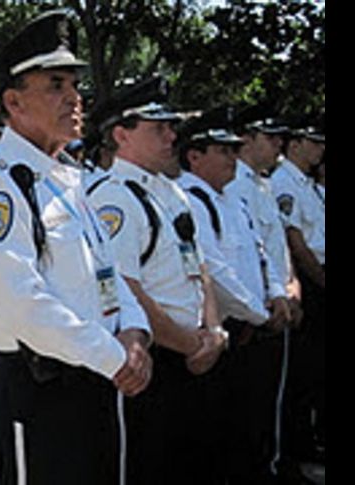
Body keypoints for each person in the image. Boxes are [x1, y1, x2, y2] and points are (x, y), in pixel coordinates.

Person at [0, 11, 153, 484]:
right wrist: (114, 356)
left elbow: (109, 271)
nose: (74, 97)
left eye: (74, 84)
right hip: (41, 388)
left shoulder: (67, 178)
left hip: (101, 376)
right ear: (14, 102)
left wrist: (136, 335)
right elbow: (20, 301)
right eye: (56, 84)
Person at [86, 78, 228, 485]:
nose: (172, 136)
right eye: (158, 128)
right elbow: (126, 287)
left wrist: (213, 331)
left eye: (171, 127)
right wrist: (189, 344)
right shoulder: (114, 199)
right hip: (156, 361)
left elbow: (199, 268)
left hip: (195, 353)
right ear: (121, 134)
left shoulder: (172, 192)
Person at [177, 110, 292, 484]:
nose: (232, 157)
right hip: (227, 333)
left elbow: (262, 255)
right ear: (194, 156)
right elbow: (215, 272)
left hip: (254, 328)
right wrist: (261, 314)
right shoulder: (192, 200)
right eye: (222, 150)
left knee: (253, 425)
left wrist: (276, 293)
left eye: (233, 149)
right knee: (220, 437)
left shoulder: (233, 200)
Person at [227, 107, 305, 475]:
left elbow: (273, 246)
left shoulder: (262, 183)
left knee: (274, 399)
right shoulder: (235, 186)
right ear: (248, 139)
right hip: (254, 313)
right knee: (252, 408)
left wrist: (291, 286)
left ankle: (275, 464)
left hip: (276, 303)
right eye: (271, 138)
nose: (279, 145)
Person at [271, 119, 326, 467]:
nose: (320, 150)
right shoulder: (283, 182)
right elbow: (295, 240)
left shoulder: (306, 184)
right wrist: (318, 277)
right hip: (312, 281)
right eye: (314, 142)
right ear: (296, 145)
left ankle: (307, 441)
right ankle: (295, 447)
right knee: (303, 371)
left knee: (316, 369)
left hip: (313, 279)